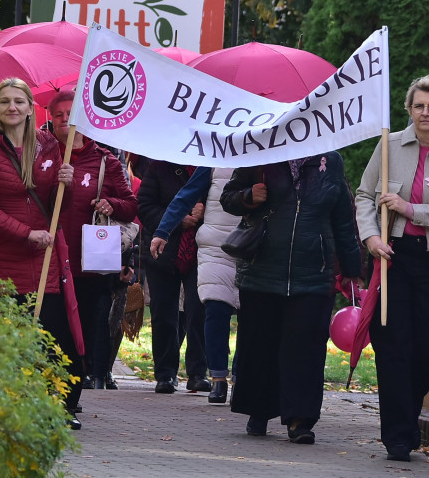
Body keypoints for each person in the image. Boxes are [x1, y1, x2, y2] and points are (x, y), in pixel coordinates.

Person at [355, 74, 429, 462]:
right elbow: (362, 196)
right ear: (409, 109)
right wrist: (371, 238)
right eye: (418, 105)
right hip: (392, 258)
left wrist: (410, 209)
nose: (425, 112)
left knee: (427, 348)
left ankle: (407, 416)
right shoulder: (389, 146)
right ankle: (399, 436)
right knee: (392, 347)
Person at [0, 78, 82, 428]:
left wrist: (68, 184)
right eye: (4, 102)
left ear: (31, 107)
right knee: (0, 338)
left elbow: (58, 206)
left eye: (19, 101)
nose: (12, 107)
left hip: (42, 260)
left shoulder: (48, 145)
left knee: (49, 336)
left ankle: (53, 408)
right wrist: (26, 233)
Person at [220, 151, 361, 444]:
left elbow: (344, 217)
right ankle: (259, 410)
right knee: (260, 345)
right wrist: (248, 196)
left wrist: (352, 267)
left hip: (313, 272)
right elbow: (228, 198)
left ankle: (300, 419)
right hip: (262, 270)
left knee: (306, 348)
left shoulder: (330, 161)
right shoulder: (260, 152)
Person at [47, 90, 138, 391]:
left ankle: (72, 392)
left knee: (83, 329)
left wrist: (110, 203)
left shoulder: (105, 161)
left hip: (88, 264)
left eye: (70, 115)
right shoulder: (42, 155)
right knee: (52, 327)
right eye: (58, 115)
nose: (64, 120)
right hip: (49, 260)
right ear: (50, 118)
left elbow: (130, 205)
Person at [150, 166, 241, 404]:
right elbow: (187, 194)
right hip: (216, 247)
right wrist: (163, 230)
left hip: (255, 246)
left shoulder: (267, 157)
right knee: (215, 308)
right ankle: (218, 379)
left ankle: (241, 379)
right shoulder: (214, 159)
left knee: (251, 315)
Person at [138, 159, 210, 395]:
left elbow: (224, 201)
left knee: (198, 311)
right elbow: (145, 206)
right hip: (163, 251)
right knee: (164, 314)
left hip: (201, 249)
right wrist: (177, 220)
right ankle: (165, 373)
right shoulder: (158, 165)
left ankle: (198, 372)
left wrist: (204, 210)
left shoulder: (211, 165)